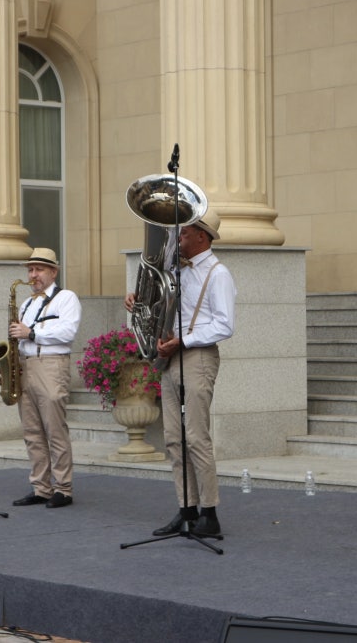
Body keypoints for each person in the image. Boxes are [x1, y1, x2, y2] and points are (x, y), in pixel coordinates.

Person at [124, 211, 236, 537]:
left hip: (197, 355)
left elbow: (225, 324)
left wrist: (183, 340)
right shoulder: (178, 271)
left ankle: (210, 514)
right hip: (172, 356)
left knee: (197, 437)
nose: (177, 240)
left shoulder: (218, 274)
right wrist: (138, 301)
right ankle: (186, 510)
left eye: (184, 234)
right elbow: (160, 304)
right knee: (174, 439)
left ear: (203, 236)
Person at [9, 248, 82, 509]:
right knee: (32, 431)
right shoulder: (27, 303)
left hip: (51, 365)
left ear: (54, 271)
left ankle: (64, 488)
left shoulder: (66, 298)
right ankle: (41, 487)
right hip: (25, 365)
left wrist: (31, 333)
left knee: (55, 429)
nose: (33, 275)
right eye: (30, 269)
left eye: (39, 269)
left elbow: (67, 331)